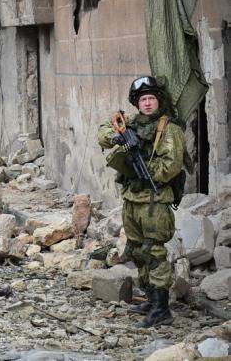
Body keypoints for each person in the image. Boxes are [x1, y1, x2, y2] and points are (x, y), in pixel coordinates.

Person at [97, 76, 185, 328]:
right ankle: (149, 298)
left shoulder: (169, 129)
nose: (147, 103)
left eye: (151, 99)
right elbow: (103, 131)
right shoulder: (130, 123)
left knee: (154, 252)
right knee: (136, 249)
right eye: (143, 99)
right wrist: (118, 139)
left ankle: (161, 309)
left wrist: (139, 164)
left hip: (154, 200)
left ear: (159, 101)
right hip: (132, 197)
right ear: (137, 102)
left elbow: (170, 167)